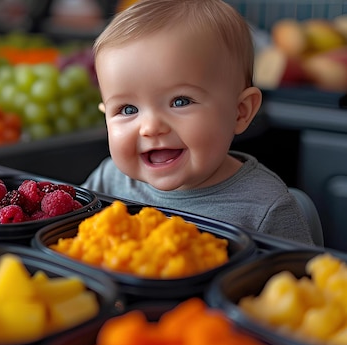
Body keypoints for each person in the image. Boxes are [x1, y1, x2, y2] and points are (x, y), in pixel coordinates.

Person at [81, 0, 314, 245]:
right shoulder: (108, 181)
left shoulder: (264, 208)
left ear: (240, 112)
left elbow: (295, 281)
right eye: (128, 109)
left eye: (180, 102)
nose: (150, 127)